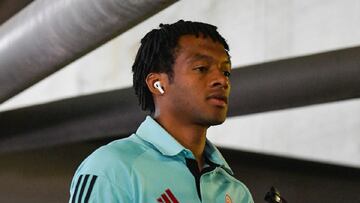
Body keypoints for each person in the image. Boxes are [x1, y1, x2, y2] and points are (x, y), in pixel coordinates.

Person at [69, 20, 253, 203]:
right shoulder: (111, 168)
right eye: (202, 68)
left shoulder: (235, 191)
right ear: (157, 84)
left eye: (226, 72)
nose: (222, 80)